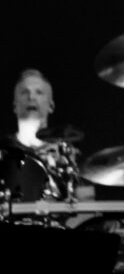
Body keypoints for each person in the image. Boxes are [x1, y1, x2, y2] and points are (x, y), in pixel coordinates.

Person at [3, 68, 88, 200]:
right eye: (24, 92)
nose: (31, 97)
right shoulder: (3, 149)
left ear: (51, 106)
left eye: (39, 92)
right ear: (14, 106)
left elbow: (86, 202)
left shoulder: (66, 154)